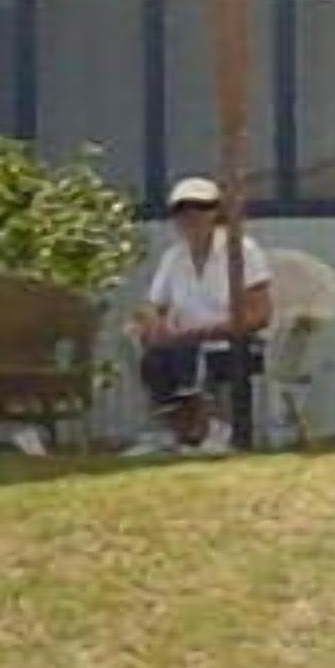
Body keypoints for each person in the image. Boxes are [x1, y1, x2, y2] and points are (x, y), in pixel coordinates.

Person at [126, 176, 273, 457]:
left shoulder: (243, 251)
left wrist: (202, 331)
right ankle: (178, 432)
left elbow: (260, 314)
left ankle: (210, 430)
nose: (191, 216)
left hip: (233, 343)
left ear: (215, 212)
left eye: (200, 208)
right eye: (182, 210)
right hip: (180, 342)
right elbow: (152, 303)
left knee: (188, 354)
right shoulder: (174, 257)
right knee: (155, 358)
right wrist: (153, 322)